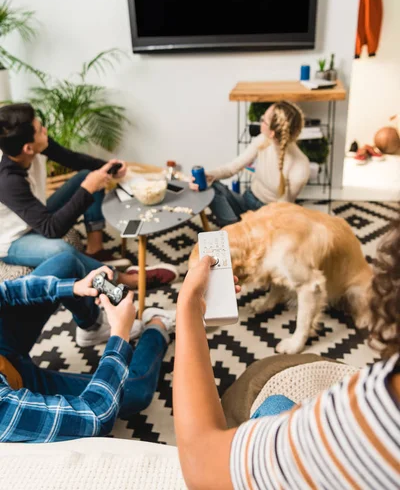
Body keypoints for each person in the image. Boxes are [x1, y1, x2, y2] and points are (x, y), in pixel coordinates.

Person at [173, 217, 400, 489]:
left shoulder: (377, 407)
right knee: (277, 405)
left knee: (262, 401)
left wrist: (187, 308)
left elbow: (200, 465)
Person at [0, 252, 175, 443]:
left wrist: (74, 287)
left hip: (4, 351)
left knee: (66, 263)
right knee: (133, 389)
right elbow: (96, 414)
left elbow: (5, 291)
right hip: (17, 386)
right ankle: (157, 326)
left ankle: (92, 327)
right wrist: (119, 335)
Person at [0, 103, 178, 288]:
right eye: (39, 129)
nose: (45, 129)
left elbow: (71, 158)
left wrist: (110, 167)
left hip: (36, 213)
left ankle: (95, 250)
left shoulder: (29, 145)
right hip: (14, 239)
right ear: (28, 148)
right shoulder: (7, 181)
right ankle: (122, 280)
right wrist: (87, 189)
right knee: (62, 251)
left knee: (91, 174)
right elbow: (51, 229)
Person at [190, 101, 310, 227]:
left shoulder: (300, 167)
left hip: (269, 218)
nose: (260, 120)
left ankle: (234, 233)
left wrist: (254, 223)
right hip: (248, 200)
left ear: (272, 132)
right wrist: (208, 176)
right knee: (213, 186)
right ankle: (235, 231)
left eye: (263, 119)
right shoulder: (263, 140)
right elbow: (231, 168)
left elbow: (281, 212)